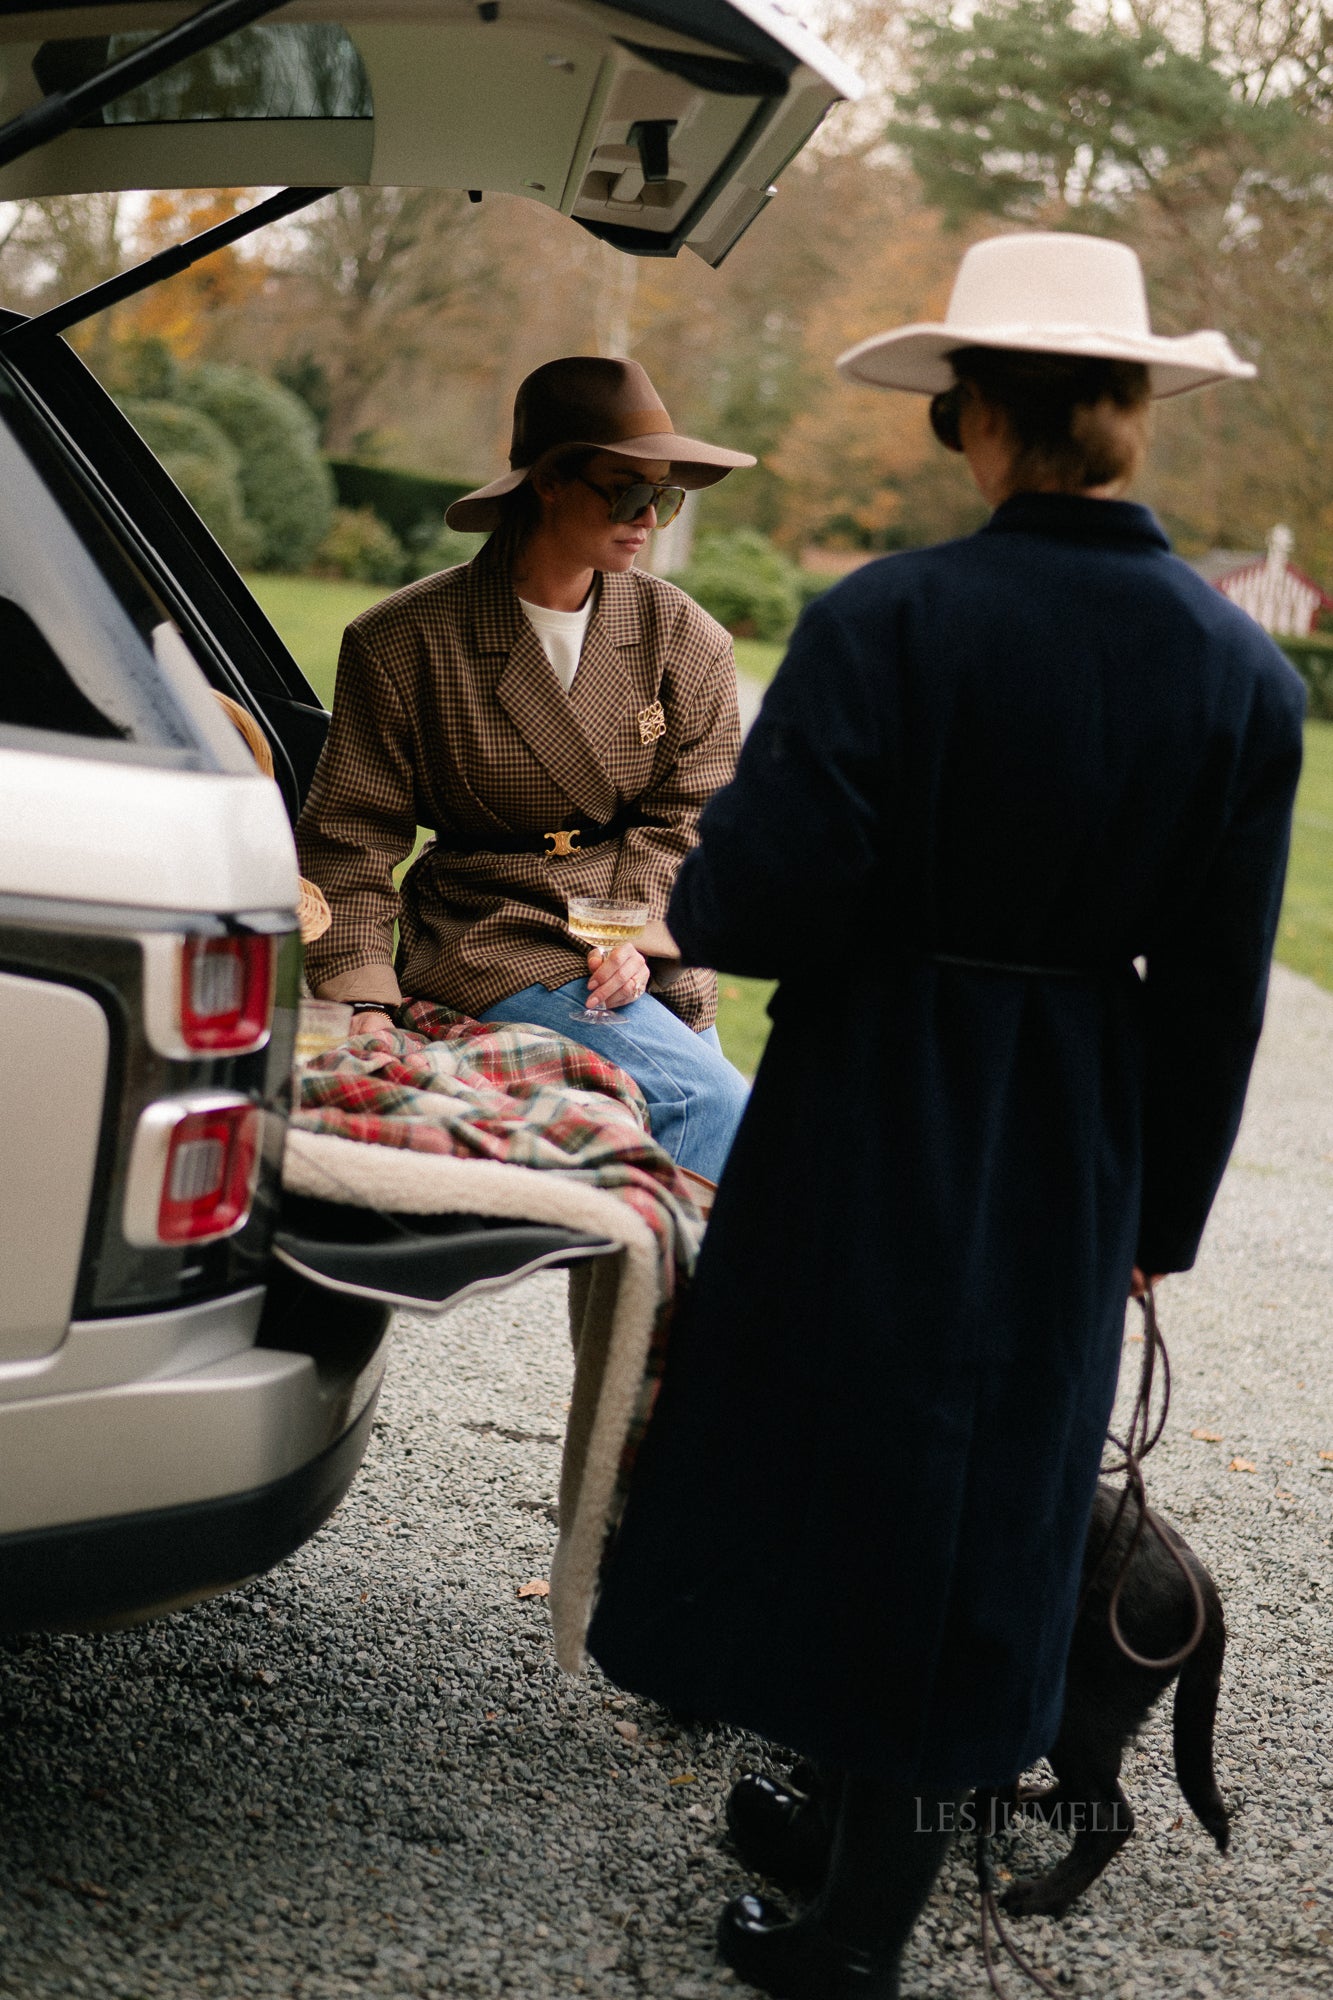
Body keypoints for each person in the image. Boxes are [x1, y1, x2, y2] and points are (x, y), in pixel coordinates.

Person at [587, 233, 1306, 1998]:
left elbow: (749, 907)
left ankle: (850, 1932)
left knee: (835, 1445)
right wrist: (1157, 1221)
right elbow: (1212, 999)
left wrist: (726, 904)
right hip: (1072, 1125)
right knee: (984, 1476)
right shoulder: (1244, 683)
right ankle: (846, 1837)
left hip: (871, 1095)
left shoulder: (889, 621)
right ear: (1129, 416)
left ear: (967, 418)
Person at [296, 357, 754, 1183]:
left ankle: (665, 1311)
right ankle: (675, 1314)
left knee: (727, 1136)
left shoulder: (686, 637)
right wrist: (363, 996)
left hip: (640, 931)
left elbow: (693, 818)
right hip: (489, 929)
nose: (648, 517)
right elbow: (349, 842)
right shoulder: (403, 641)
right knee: (712, 1106)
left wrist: (634, 936)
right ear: (548, 480)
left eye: (665, 495)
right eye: (625, 491)